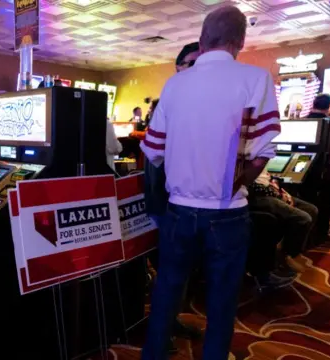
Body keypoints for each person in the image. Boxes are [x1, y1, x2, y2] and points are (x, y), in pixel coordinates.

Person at [140, 6, 280, 359]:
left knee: (166, 295)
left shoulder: (175, 84)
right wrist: (233, 182)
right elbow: (264, 151)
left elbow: (152, 151)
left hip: (178, 210)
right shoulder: (256, 79)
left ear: (202, 41)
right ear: (241, 41)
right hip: (228, 212)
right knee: (221, 303)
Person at [144, 41, 202, 355]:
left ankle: (170, 322)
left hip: (193, 206)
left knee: (183, 274)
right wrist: (159, 211)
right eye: (190, 63)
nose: (197, 70)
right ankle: (160, 332)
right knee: (170, 273)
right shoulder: (170, 103)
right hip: (169, 206)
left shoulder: (201, 104)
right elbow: (154, 161)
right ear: (178, 66)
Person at [248, 169, 318, 275]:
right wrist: (279, 196)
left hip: (269, 190)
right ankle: (286, 255)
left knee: (311, 209)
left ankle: (293, 251)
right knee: (303, 218)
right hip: (257, 196)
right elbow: (252, 186)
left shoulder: (261, 158)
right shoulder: (246, 158)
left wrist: (280, 191)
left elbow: (267, 179)